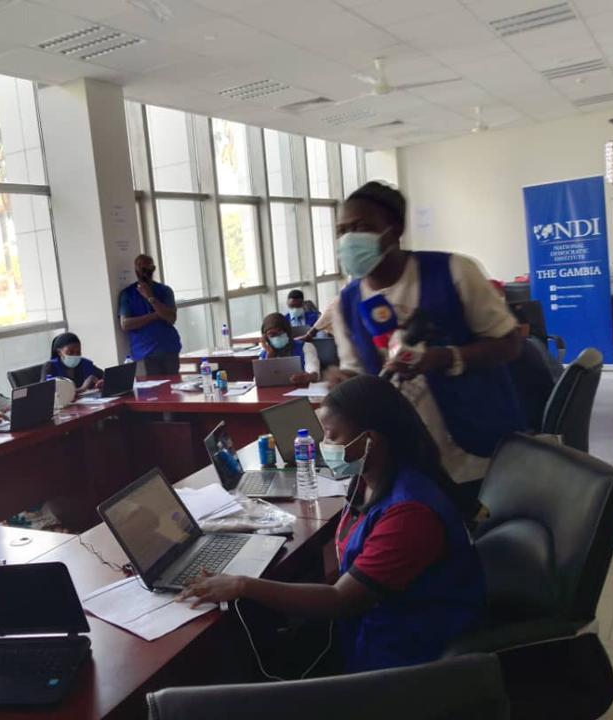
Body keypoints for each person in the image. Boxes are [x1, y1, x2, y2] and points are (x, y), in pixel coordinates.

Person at [177, 375, 485, 672]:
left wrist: (242, 584)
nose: (322, 444)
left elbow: (341, 600)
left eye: (331, 435)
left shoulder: (409, 514)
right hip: (370, 625)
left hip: (401, 657)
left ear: (370, 441)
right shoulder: (371, 480)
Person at [323, 181, 525, 512]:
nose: (348, 239)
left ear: (394, 229)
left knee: (484, 533)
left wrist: (446, 358)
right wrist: (344, 382)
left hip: (476, 447)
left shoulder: (454, 272)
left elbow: (510, 343)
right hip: (406, 462)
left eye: (361, 227)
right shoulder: (347, 303)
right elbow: (359, 377)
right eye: (342, 231)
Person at [117, 254, 181, 376]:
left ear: (154, 269)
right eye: (142, 269)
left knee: (172, 385)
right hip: (144, 352)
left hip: (169, 349)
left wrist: (150, 297)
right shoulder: (128, 294)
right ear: (136, 270)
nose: (145, 273)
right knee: (151, 387)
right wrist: (156, 315)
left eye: (149, 269)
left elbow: (171, 318)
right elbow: (125, 324)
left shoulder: (165, 291)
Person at [258, 312, 321, 385]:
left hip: (302, 389)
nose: (276, 337)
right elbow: (258, 379)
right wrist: (270, 357)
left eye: (280, 332)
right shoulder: (265, 353)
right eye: (272, 334)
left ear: (287, 331)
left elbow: (314, 372)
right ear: (266, 338)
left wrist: (307, 377)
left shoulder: (305, 346)